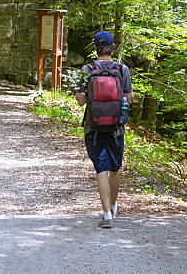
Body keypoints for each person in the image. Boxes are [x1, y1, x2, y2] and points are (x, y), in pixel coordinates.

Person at [74, 30, 132, 228]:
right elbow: (129, 98)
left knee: (101, 168)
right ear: (112, 46)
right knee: (115, 168)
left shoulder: (87, 69)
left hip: (94, 125)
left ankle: (106, 214)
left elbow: (81, 101)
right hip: (117, 126)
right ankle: (114, 206)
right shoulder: (121, 69)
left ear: (95, 48)